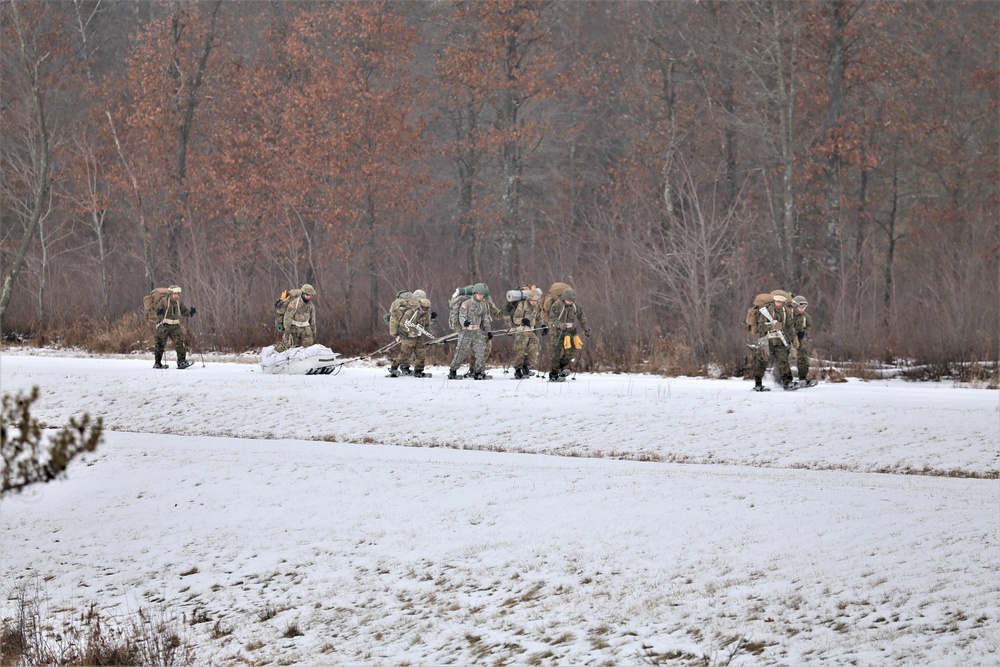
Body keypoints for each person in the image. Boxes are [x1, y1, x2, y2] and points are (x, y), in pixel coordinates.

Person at [448, 283, 492, 380]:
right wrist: (465, 322)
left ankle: (478, 371)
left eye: (483, 295)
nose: (481, 296)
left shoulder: (483, 305)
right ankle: (453, 371)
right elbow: (462, 316)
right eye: (480, 294)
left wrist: (488, 331)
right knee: (461, 352)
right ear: (475, 293)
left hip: (477, 332)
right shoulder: (466, 303)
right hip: (466, 332)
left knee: (481, 352)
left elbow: (485, 320)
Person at [751, 292, 794, 390]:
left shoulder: (785, 312)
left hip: (780, 342)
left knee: (784, 362)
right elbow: (761, 327)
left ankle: (788, 383)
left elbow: (790, 326)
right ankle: (758, 384)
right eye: (777, 301)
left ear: (783, 303)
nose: (778, 303)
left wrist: (793, 338)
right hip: (767, 341)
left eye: (780, 302)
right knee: (761, 362)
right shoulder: (766, 311)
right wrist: (773, 326)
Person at [546, 287, 588, 382]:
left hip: (570, 332)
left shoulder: (575, 306)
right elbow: (552, 319)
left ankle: (560, 367)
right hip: (557, 332)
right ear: (564, 298)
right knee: (555, 352)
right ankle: (554, 373)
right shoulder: (557, 305)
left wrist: (585, 328)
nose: (570, 302)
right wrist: (560, 325)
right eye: (568, 300)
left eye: (572, 301)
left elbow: (582, 317)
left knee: (571, 352)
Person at [153, 285, 196, 369]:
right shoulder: (163, 301)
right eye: (174, 294)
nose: (176, 295)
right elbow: (155, 313)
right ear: (170, 294)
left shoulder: (178, 301)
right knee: (160, 344)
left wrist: (191, 313)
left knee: (180, 343)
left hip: (175, 326)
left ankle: (181, 362)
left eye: (177, 293)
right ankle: (157, 363)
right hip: (164, 325)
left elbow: (184, 311)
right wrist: (159, 312)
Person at [390, 298, 433, 378]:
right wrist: (412, 330)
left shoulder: (426, 315)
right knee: (406, 354)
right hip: (407, 336)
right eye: (424, 308)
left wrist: (431, 333)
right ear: (420, 306)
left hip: (418, 336)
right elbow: (403, 324)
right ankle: (394, 367)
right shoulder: (410, 313)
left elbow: (427, 325)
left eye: (427, 308)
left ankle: (419, 370)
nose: (425, 310)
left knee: (421, 353)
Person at [509, 287, 543, 379]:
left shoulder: (536, 306)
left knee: (535, 349)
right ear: (529, 299)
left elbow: (538, 317)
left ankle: (526, 366)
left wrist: (543, 325)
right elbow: (515, 319)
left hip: (531, 331)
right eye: (532, 300)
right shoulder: (522, 305)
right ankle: (517, 370)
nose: (534, 302)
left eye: (536, 301)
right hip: (522, 331)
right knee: (519, 350)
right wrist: (523, 320)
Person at [276, 283, 316, 352]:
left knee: (308, 348)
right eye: (307, 295)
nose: (308, 297)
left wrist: (314, 331)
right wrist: (287, 330)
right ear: (303, 294)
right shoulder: (294, 303)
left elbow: (313, 319)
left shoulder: (311, 305)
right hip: (294, 328)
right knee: (287, 347)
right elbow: (288, 317)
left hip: (306, 329)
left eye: (310, 295)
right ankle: (276, 354)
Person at [791, 295, 815, 385]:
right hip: (787, 339)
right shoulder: (788, 314)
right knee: (783, 358)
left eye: (804, 307)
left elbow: (809, 326)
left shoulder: (806, 316)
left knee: (803, 357)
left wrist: (804, 333)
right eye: (800, 307)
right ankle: (783, 379)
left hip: (799, 339)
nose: (802, 309)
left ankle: (803, 377)